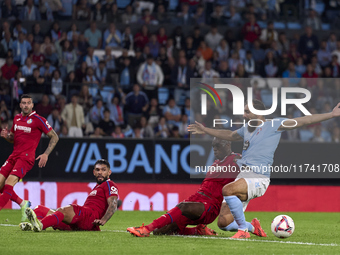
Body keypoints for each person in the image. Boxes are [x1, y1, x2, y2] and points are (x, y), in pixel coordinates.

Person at [188, 99, 340, 238]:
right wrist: (206, 130)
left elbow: (304, 120)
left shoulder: (274, 125)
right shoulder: (246, 128)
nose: (244, 114)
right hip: (243, 176)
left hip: (258, 177)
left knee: (227, 190)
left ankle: (243, 232)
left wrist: (331, 115)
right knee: (224, 223)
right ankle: (253, 227)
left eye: (247, 111)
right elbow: (229, 134)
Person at [127, 138, 245, 237]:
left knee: (182, 207)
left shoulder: (236, 159)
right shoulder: (216, 162)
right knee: (160, 232)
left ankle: (146, 229)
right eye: (213, 145)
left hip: (210, 206)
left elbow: (253, 163)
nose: (215, 148)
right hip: (196, 198)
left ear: (228, 145)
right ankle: (197, 231)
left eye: (218, 145)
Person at [0, 94, 59, 221]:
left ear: (32, 105)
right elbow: (13, 138)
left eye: (28, 103)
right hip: (14, 156)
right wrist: (7, 136)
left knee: (9, 183)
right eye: (23, 103)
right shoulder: (16, 118)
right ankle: (23, 203)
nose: (26, 105)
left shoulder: (39, 119)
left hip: (26, 158)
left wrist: (45, 154)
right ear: (20, 105)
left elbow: (54, 136)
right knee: (1, 184)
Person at [21, 159, 118, 232]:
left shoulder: (109, 184)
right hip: (81, 222)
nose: (100, 172)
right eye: (97, 170)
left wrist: (104, 220)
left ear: (109, 172)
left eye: (103, 170)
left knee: (65, 210)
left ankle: (40, 225)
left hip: (90, 217)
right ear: (94, 172)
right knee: (39, 209)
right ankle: (35, 225)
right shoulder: (97, 187)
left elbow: (113, 204)